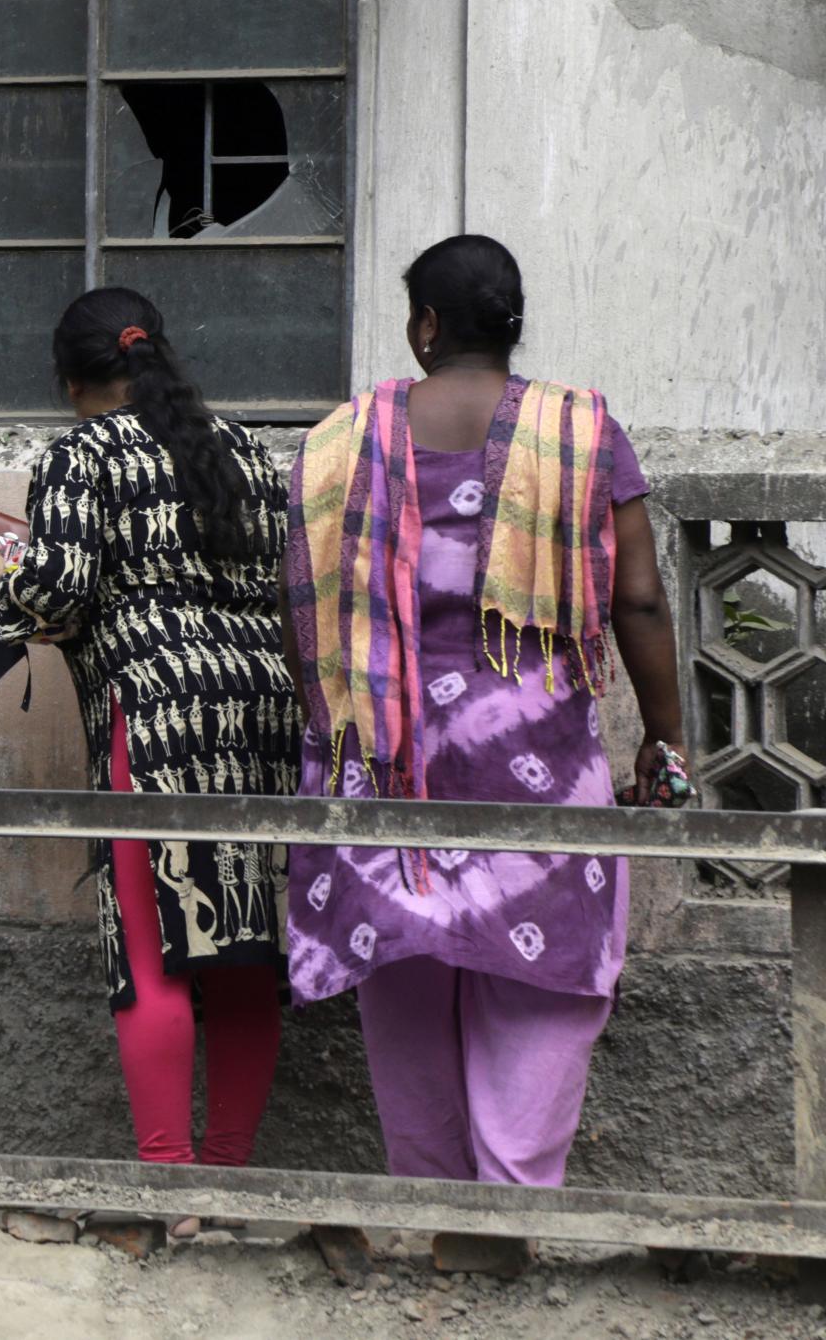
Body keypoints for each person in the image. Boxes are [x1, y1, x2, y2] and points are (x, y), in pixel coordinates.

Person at [283, 234, 687, 1222]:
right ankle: (510, 1221)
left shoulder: (341, 440)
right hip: (536, 779)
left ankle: (433, 1229)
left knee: (407, 1003)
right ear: (511, 325)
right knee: (543, 988)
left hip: (385, 781)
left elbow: (302, 614)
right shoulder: (584, 435)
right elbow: (636, 603)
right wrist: (663, 742)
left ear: (424, 325)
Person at [0, 288, 301, 1181]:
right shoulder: (241, 446)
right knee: (243, 951)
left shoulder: (81, 454)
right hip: (260, 718)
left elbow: (57, 595)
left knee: (153, 954)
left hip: (157, 717)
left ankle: (168, 1179)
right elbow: (283, 581)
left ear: (69, 377)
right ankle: (228, 1178)